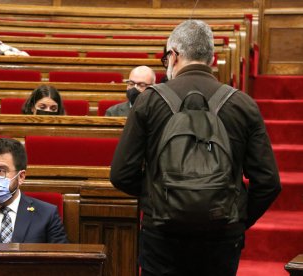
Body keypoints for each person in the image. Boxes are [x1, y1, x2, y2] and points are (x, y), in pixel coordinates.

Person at [110, 20, 281, 276]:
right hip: (222, 234)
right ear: (210, 57)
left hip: (162, 234)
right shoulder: (242, 104)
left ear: (174, 55)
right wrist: (236, 216)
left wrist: (161, 197)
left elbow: (121, 174)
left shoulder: (150, 101)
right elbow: (268, 182)